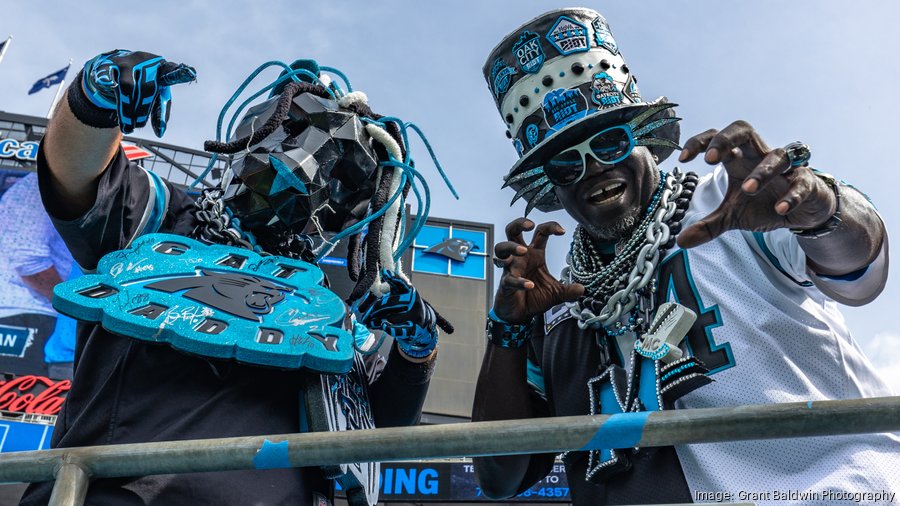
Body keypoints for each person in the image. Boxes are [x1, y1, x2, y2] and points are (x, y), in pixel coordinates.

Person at [472, 8, 898, 505]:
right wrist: (509, 330)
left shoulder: (731, 204)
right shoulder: (556, 312)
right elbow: (499, 477)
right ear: (553, 187)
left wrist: (818, 208)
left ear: (647, 142)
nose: (592, 168)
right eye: (566, 163)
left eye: (610, 141)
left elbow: (859, 273)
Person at [19, 50, 446, 506]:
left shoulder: (330, 315)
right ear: (258, 126)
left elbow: (381, 432)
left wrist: (417, 346)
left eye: (342, 171)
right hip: (109, 493)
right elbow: (75, 176)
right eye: (297, 131)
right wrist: (93, 99)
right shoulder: (167, 220)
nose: (302, 168)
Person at [0, 172, 77, 379]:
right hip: (23, 314)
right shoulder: (41, 184)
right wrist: (70, 305)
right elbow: (28, 261)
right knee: (20, 406)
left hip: (45, 317)